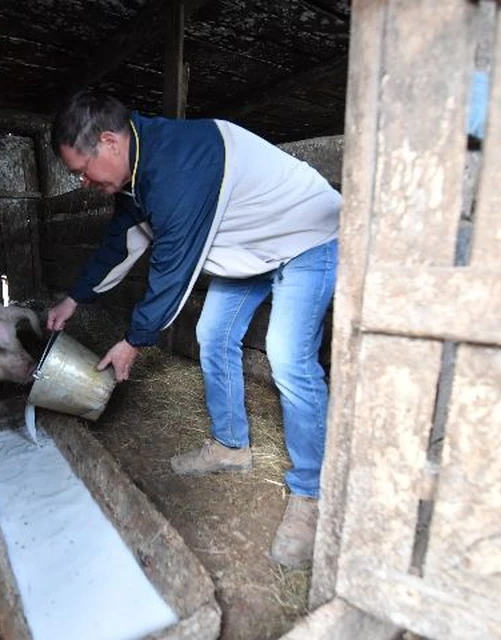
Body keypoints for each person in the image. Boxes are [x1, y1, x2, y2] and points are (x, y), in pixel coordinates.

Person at [45, 90, 341, 569]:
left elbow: (171, 272)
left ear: (109, 142)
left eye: (82, 169)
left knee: (287, 356)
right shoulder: (137, 176)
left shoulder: (176, 168)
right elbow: (121, 243)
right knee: (213, 335)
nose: (82, 181)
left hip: (306, 237)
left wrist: (134, 342)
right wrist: (75, 298)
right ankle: (230, 446)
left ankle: (313, 494)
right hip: (252, 246)